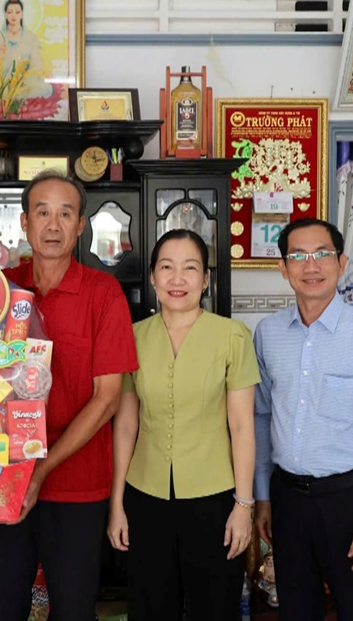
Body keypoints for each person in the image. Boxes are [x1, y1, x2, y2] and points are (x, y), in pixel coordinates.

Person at [0, 170, 138, 621]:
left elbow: (107, 399)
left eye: (65, 214)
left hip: (77, 487)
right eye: (42, 212)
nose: (53, 224)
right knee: (2, 608)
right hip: (0, 479)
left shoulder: (103, 294)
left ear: (81, 225)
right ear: (24, 223)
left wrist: (42, 469)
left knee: (74, 610)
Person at [252, 218, 353, 621]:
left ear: (341, 263)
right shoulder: (267, 334)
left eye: (322, 254)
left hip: (349, 501)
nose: (311, 266)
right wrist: (263, 495)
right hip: (287, 500)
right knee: (294, 610)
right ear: (283, 268)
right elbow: (262, 417)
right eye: (298, 256)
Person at [107, 229, 259, 620]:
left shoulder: (232, 336)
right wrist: (117, 503)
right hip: (145, 498)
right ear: (153, 277)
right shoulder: (133, 337)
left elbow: (242, 426)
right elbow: (125, 426)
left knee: (215, 608)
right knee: (151, 609)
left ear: (205, 279)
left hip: (215, 499)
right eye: (167, 267)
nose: (178, 279)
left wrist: (244, 506)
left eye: (190, 268)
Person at [0, 0, 53, 103]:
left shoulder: (30, 37)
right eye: (10, 12)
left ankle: (16, 97)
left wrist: (24, 80)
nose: (13, 16)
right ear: (5, 14)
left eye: (17, 12)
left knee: (44, 88)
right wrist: (1, 58)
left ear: (22, 14)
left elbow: (36, 65)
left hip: (24, 83)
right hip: (2, 83)